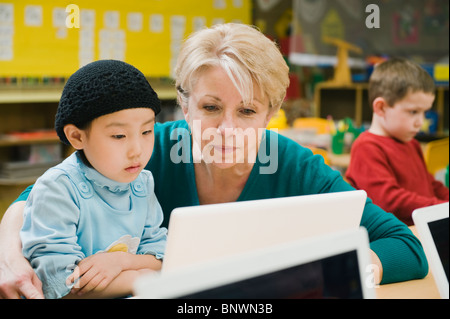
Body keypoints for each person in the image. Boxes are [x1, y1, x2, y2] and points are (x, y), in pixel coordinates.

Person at [0, 24, 428, 299]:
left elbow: (405, 246)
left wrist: (357, 262)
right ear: (184, 106)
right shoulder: (148, 149)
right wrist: (9, 256)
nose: (227, 129)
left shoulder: (295, 165)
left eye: (246, 112)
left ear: (270, 113)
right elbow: (34, 197)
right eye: (209, 107)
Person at [17, 60, 167, 299]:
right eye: (119, 135)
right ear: (77, 137)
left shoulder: (142, 183)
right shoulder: (58, 189)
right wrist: (141, 276)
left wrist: (120, 261)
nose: (137, 150)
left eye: (147, 132)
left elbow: (161, 253)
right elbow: (59, 285)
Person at [346, 58, 449, 226]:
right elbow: (390, 201)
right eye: (413, 112)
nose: (420, 122)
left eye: (424, 112)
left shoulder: (411, 143)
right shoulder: (367, 147)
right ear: (381, 108)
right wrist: (439, 209)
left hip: (420, 229)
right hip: (395, 238)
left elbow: (431, 185)